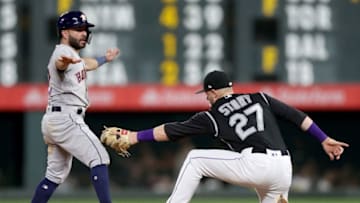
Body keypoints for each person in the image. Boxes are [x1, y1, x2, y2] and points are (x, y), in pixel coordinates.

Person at [104, 70, 349, 203]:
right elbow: (297, 116)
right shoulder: (259, 97)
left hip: (256, 164)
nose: (206, 98)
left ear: (212, 92)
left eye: (206, 93)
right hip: (284, 168)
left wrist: (136, 136)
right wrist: (324, 138)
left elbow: (171, 130)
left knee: (194, 159)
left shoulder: (214, 113)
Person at [31, 10, 119, 203]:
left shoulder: (73, 56)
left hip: (54, 120)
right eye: (78, 29)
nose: (84, 33)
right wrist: (63, 63)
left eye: (85, 29)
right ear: (64, 33)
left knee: (54, 176)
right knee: (100, 158)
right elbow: (60, 63)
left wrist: (105, 59)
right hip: (66, 119)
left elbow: (87, 63)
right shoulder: (63, 53)